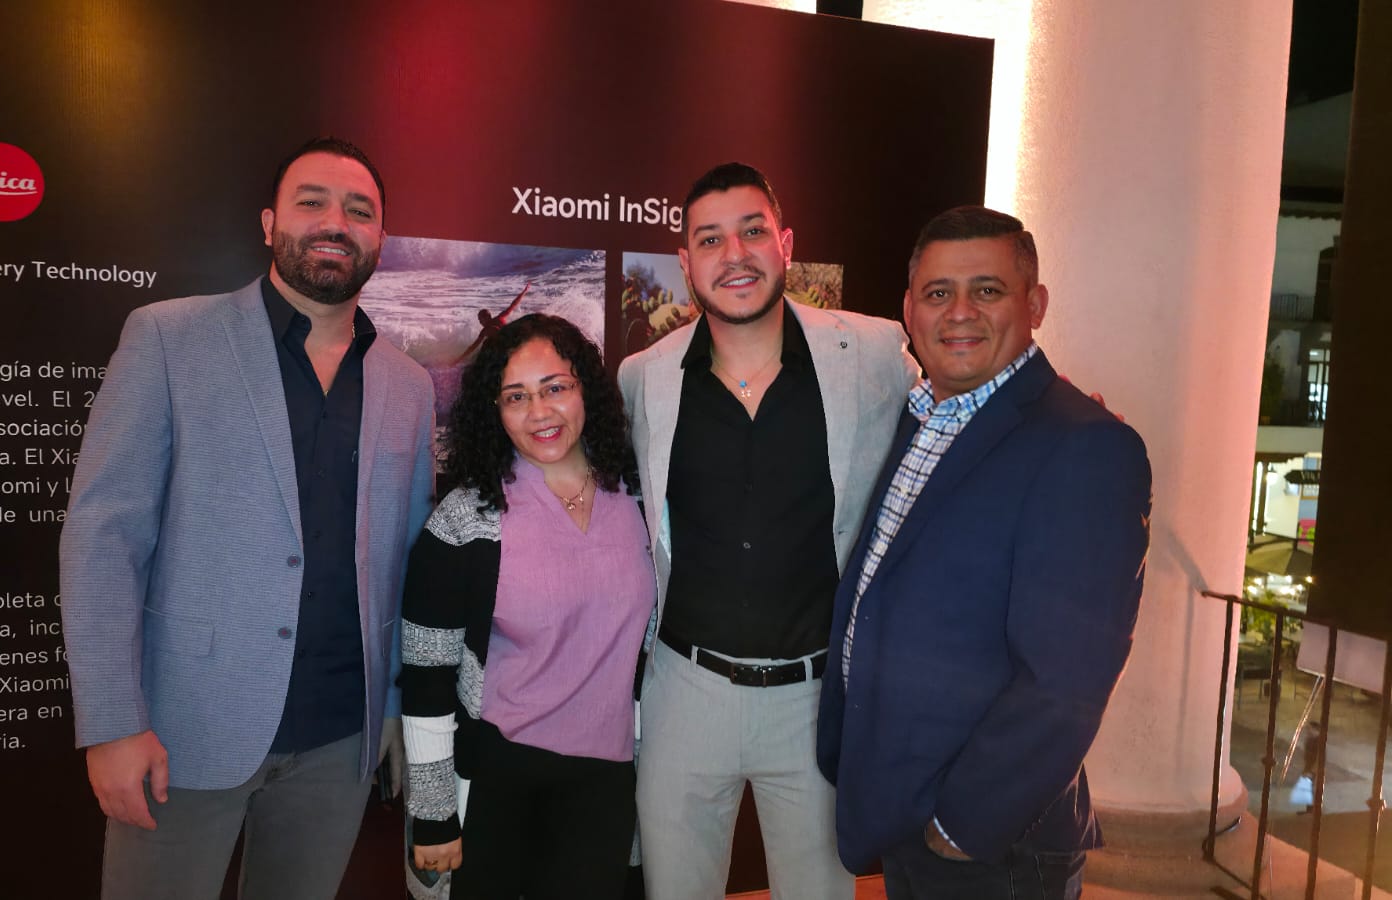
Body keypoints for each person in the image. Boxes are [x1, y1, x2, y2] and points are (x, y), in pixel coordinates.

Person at [59, 136, 435, 900]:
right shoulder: (168, 338)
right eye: (312, 202)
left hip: (341, 738)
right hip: (184, 729)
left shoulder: (409, 384)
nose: (335, 222)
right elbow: (103, 537)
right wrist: (112, 723)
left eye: (358, 210)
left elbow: (405, 561)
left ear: (380, 237)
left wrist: (394, 708)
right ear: (269, 224)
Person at [816, 206, 1152, 899]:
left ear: (1036, 305)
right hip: (909, 812)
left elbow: (1066, 680)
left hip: (992, 846)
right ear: (909, 310)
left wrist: (962, 828)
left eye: (987, 290)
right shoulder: (921, 417)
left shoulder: (1085, 445)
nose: (960, 312)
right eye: (938, 292)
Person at [617, 162, 918, 900]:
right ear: (685, 262)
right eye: (710, 239)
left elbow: (956, 419)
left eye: (752, 231)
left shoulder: (873, 353)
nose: (735, 254)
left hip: (814, 698)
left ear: (785, 244)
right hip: (685, 690)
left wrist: (1052, 428)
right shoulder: (644, 376)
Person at [401, 314, 653, 899]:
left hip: (606, 781)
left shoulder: (639, 498)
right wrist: (435, 813)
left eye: (555, 387)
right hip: (498, 776)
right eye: (516, 396)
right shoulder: (466, 519)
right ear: (495, 410)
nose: (540, 412)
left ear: (585, 388)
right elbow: (426, 675)